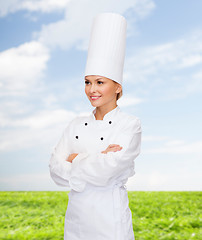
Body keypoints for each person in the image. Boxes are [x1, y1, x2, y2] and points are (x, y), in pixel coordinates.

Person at [49, 12, 142, 240]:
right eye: (88, 82)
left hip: (110, 219)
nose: (92, 90)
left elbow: (110, 169)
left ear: (117, 87)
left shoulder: (130, 124)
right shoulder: (75, 124)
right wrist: (99, 157)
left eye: (100, 82)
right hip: (77, 220)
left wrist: (75, 159)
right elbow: (55, 170)